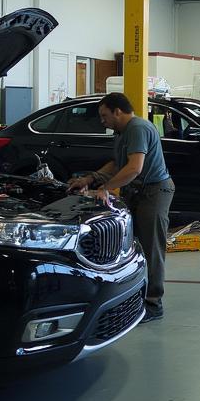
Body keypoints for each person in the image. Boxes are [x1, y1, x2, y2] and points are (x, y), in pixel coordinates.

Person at [67, 92, 174, 323]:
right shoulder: (122, 132)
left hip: (154, 191)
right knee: (129, 248)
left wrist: (105, 188)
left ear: (118, 111)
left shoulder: (138, 128)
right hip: (137, 191)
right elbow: (117, 163)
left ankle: (154, 304)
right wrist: (90, 179)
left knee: (151, 247)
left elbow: (135, 167)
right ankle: (132, 298)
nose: (102, 121)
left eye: (104, 115)